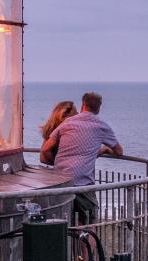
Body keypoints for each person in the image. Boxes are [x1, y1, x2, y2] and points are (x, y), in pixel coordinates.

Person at [40, 91, 122, 224]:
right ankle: (87, 244)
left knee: (63, 221)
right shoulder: (101, 126)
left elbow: (45, 150)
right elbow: (119, 151)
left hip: (60, 181)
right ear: (99, 108)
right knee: (89, 221)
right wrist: (104, 150)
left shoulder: (66, 124)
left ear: (83, 104)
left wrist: (56, 163)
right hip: (83, 183)